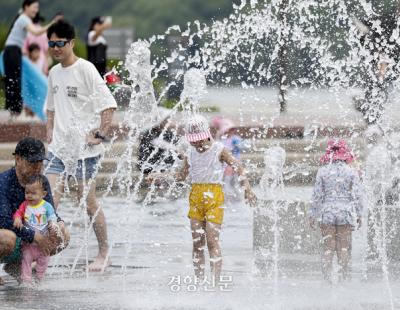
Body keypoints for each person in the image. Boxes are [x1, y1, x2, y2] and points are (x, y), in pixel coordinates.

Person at [45, 20, 117, 272]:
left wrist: (100, 133)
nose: (55, 48)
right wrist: (49, 134)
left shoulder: (85, 69)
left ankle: (104, 252)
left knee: (87, 201)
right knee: (48, 199)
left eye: (60, 43)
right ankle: (42, 253)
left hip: (86, 151)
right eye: (51, 43)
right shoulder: (53, 72)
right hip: (58, 149)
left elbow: (108, 105)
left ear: (72, 43)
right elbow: (51, 109)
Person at [150, 114, 257, 283]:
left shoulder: (219, 149)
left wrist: (248, 189)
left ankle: (215, 283)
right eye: (193, 141)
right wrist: (161, 176)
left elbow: (238, 166)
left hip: (214, 197)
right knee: (197, 243)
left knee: (212, 242)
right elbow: (181, 176)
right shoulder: (190, 153)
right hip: (196, 197)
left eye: (200, 140)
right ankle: (199, 282)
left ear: (207, 135)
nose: (197, 144)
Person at [0, 137, 69, 286]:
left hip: (26, 240)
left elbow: (49, 211)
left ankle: (17, 265)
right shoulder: (3, 182)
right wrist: (34, 236)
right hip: (8, 237)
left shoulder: (41, 182)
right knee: (7, 237)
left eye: (40, 162)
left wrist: (58, 223)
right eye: (32, 162)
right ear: (18, 159)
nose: (37, 167)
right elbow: (5, 222)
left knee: (63, 235)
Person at [309, 139, 364, 282]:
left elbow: (317, 195)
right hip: (345, 211)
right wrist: (359, 214)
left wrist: (312, 214)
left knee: (328, 248)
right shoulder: (351, 171)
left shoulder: (322, 171)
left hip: (327, 211)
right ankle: (342, 278)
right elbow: (357, 195)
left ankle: (327, 279)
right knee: (343, 247)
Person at [3, 0, 61, 117]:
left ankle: (13, 109)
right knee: (14, 79)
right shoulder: (24, 18)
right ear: (26, 7)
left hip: (11, 51)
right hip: (12, 51)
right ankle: (15, 110)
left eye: (37, 7)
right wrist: (52, 23)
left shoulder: (22, 18)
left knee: (12, 79)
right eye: (34, 7)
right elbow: (36, 32)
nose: (36, 10)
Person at [13, 174, 57, 284]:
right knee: (26, 261)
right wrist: (17, 218)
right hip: (28, 243)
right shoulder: (25, 205)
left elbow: (52, 216)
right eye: (27, 192)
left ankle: (39, 278)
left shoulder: (47, 206)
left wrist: (52, 223)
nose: (29, 196)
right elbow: (18, 212)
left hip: (43, 242)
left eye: (33, 193)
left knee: (43, 261)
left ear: (43, 194)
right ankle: (26, 281)